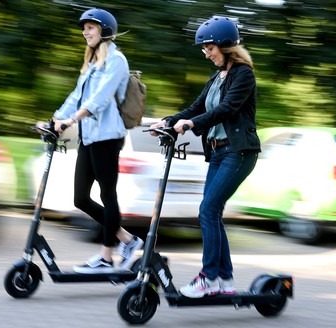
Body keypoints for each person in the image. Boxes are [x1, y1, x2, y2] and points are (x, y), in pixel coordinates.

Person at [149, 17, 260, 298]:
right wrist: (169, 120)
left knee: (208, 210)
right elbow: (197, 106)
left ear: (225, 44)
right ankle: (224, 279)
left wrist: (190, 124)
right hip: (218, 152)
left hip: (239, 151)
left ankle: (208, 277)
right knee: (212, 213)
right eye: (204, 48)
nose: (206, 53)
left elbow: (226, 109)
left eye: (209, 47)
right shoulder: (216, 77)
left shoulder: (243, 74)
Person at [38, 8, 143, 274]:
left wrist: (70, 121)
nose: (85, 32)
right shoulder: (92, 63)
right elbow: (77, 96)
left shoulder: (116, 60)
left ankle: (106, 258)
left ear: (104, 30)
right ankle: (127, 240)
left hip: (108, 137)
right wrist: (54, 121)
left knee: (108, 194)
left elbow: (100, 99)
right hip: (89, 137)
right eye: (84, 28)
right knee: (80, 198)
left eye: (91, 27)